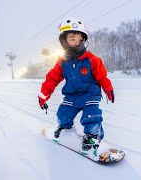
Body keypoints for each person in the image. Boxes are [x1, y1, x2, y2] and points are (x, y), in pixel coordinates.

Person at [38, 17, 114, 156]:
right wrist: (44, 94)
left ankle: (93, 137)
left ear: (84, 40)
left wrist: (108, 89)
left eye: (80, 39)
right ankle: (66, 130)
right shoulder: (62, 62)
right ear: (64, 41)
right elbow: (52, 78)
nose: (77, 42)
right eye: (72, 39)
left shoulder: (92, 60)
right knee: (63, 115)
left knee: (91, 116)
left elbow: (102, 77)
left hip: (90, 94)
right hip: (71, 96)